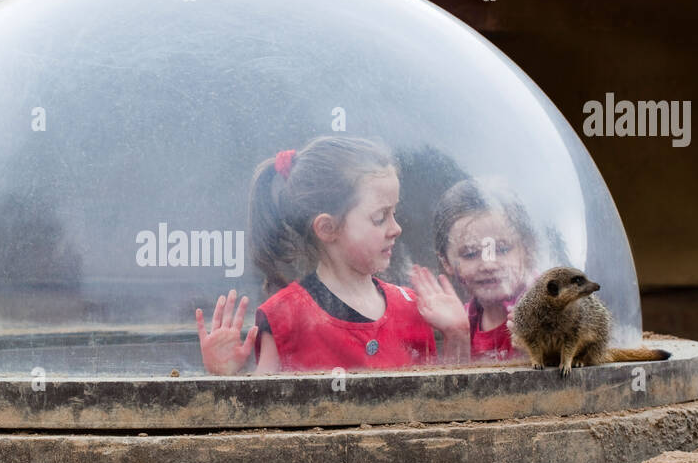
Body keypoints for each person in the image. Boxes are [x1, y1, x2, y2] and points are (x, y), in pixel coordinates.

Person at [196, 136, 470, 375]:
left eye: (394, 213)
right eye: (379, 218)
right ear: (327, 228)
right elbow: (262, 416)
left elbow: (446, 406)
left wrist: (458, 335)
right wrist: (226, 377)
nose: (396, 228)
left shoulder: (414, 309)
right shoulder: (285, 317)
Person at [419, 177, 539, 362]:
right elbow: (456, 388)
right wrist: (456, 336)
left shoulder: (546, 308)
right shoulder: (462, 318)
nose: (489, 265)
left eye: (502, 249)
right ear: (446, 262)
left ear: (528, 249)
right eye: (471, 253)